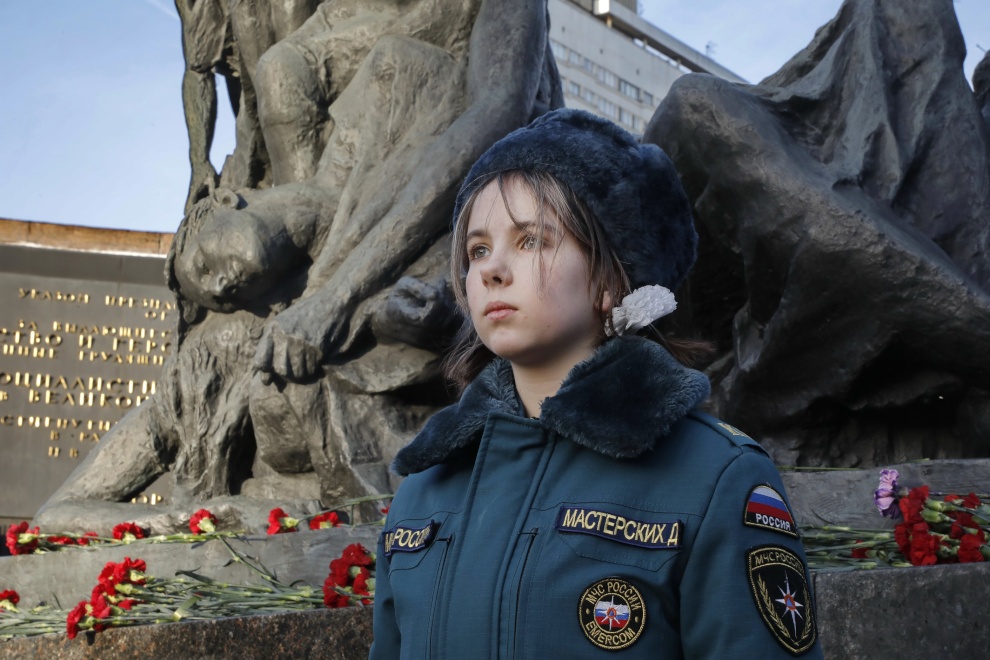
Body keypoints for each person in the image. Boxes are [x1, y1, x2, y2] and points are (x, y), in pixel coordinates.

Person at [369, 109, 824, 658]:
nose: (490, 269)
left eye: (532, 240)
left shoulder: (717, 477)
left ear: (611, 279)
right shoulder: (423, 489)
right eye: (478, 249)